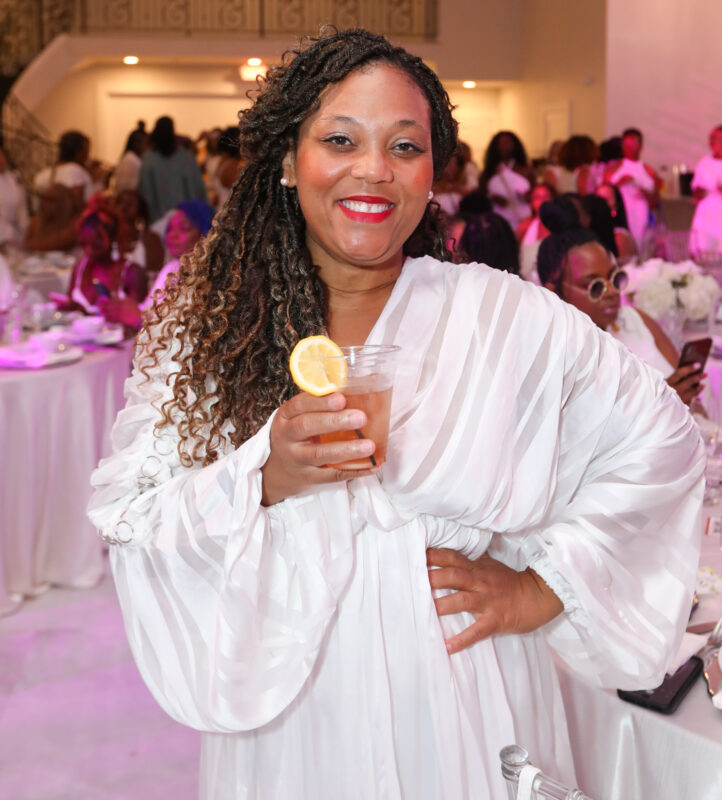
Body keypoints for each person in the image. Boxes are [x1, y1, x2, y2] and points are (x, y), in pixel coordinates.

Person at [87, 29, 703, 800]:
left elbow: (661, 441)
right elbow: (129, 515)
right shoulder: (208, 331)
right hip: (292, 707)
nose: (374, 169)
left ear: (432, 173)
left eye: (405, 146)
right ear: (288, 159)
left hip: (461, 692)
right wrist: (263, 477)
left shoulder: (499, 315)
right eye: (340, 139)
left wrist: (540, 588)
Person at [537, 199, 703, 407]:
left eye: (615, 279)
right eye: (595, 286)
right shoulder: (561, 359)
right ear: (554, 292)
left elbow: (693, 400)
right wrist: (664, 403)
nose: (612, 292)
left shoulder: (634, 319)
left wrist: (689, 394)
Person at [102, 199, 215, 328]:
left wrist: (138, 318)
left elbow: (184, 331)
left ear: (206, 234)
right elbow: (148, 309)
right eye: (170, 229)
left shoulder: (209, 276)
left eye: (184, 228)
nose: (172, 235)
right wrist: (123, 308)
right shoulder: (171, 268)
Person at [51, 202, 147, 319]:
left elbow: (139, 319)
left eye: (96, 245)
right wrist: (71, 306)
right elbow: (75, 306)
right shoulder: (80, 267)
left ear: (112, 239)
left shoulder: (132, 273)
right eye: (84, 244)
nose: (89, 251)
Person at [138, 116, 208, 223]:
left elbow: (146, 193)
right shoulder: (186, 157)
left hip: (159, 218)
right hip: (185, 219)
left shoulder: (149, 159)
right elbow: (198, 188)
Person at [604, 127, 661, 249]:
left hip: (641, 219)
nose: (629, 148)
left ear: (640, 146)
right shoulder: (612, 169)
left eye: (632, 144)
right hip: (619, 217)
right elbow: (602, 196)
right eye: (626, 144)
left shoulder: (649, 171)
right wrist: (619, 183)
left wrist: (647, 194)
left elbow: (656, 202)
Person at [33, 130, 106, 209]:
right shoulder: (75, 171)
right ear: (79, 152)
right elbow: (77, 206)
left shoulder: (42, 175)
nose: (88, 157)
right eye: (86, 152)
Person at [479, 130, 533, 229]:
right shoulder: (489, 172)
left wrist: (527, 196)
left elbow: (536, 192)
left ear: (515, 145)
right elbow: (481, 196)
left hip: (523, 221)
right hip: (497, 222)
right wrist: (492, 198)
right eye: (500, 143)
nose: (503, 146)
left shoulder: (526, 170)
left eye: (506, 142)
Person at [114, 189, 165, 275]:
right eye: (120, 202)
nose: (123, 207)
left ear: (140, 210)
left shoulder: (150, 238)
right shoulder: (109, 239)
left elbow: (156, 271)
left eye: (129, 203)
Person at [690, 124, 722, 257]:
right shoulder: (704, 162)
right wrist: (699, 191)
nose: (711, 141)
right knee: (701, 253)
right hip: (705, 215)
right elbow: (696, 189)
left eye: (715, 138)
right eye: (710, 138)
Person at [515, 182, 555, 282]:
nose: (541, 201)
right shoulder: (524, 225)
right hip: (525, 279)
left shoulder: (557, 225)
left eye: (545, 197)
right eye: (537, 197)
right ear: (531, 201)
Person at [23, 183, 79, 253]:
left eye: (50, 201)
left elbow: (59, 242)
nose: (45, 204)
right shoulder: (37, 221)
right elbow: (26, 244)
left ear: (62, 203)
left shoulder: (74, 223)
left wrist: (32, 245)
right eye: (44, 199)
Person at [595, 182, 637, 263]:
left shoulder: (619, 237)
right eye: (597, 199)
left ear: (616, 206)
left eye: (605, 200)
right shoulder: (593, 235)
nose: (600, 204)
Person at [0, 145, 29, 248]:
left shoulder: (14, 179)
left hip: (16, 235)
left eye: (2, 156)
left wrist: (26, 232)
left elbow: (22, 210)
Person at [114, 124, 149, 194]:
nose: (147, 148)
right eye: (146, 144)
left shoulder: (127, 158)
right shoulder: (133, 161)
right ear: (137, 144)